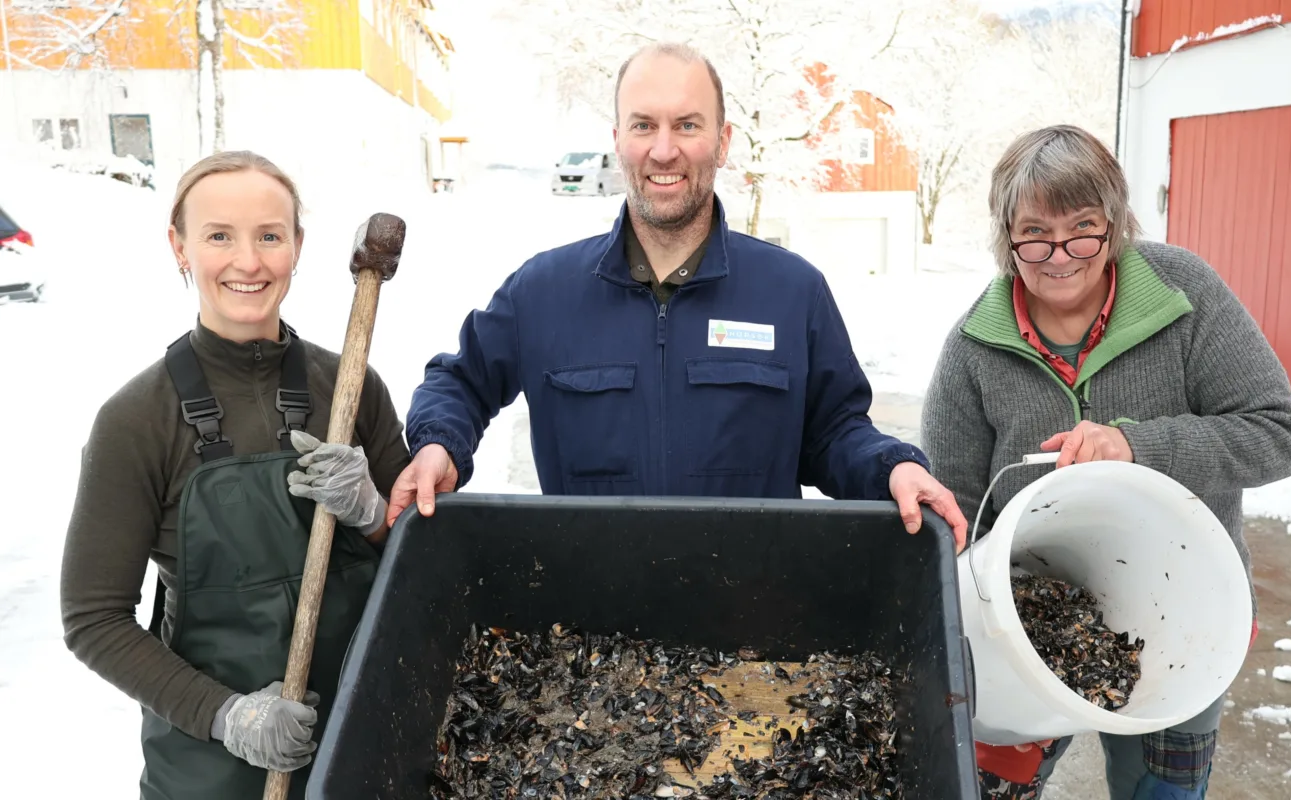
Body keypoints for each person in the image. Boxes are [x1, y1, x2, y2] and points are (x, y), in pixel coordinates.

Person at [387, 41, 967, 545]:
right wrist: (439, 444)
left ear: (723, 140)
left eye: (687, 125)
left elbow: (836, 433)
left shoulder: (792, 293)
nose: (664, 150)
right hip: (589, 625)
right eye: (644, 125)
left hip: (753, 628)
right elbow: (458, 382)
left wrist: (891, 468)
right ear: (618, 139)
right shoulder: (543, 292)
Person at [920, 124, 1291, 799]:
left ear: (1117, 223)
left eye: (1084, 228)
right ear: (1005, 235)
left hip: (1180, 616)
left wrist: (1137, 446)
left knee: (1159, 788)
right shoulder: (973, 350)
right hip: (1022, 621)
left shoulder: (1182, 294)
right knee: (987, 786)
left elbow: (1278, 435)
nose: (1061, 254)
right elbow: (951, 513)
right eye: (1035, 232)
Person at [59, 151, 412, 799]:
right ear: (180, 247)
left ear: (297, 246)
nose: (248, 262)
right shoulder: (137, 419)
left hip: (368, 742)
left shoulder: (351, 388)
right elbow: (94, 619)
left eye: (269, 236)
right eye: (219, 235)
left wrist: (373, 512)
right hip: (211, 769)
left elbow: (426, 566)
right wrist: (228, 716)